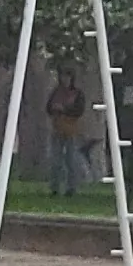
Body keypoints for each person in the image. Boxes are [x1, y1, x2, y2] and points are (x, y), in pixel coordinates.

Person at [43, 68, 96, 196]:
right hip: (57, 128)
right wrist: (54, 110)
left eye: (67, 77)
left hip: (71, 129)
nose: (65, 79)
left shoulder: (77, 94)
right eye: (63, 76)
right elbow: (48, 107)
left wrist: (64, 109)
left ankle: (71, 188)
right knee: (56, 160)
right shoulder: (56, 92)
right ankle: (54, 188)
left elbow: (79, 110)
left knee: (71, 159)